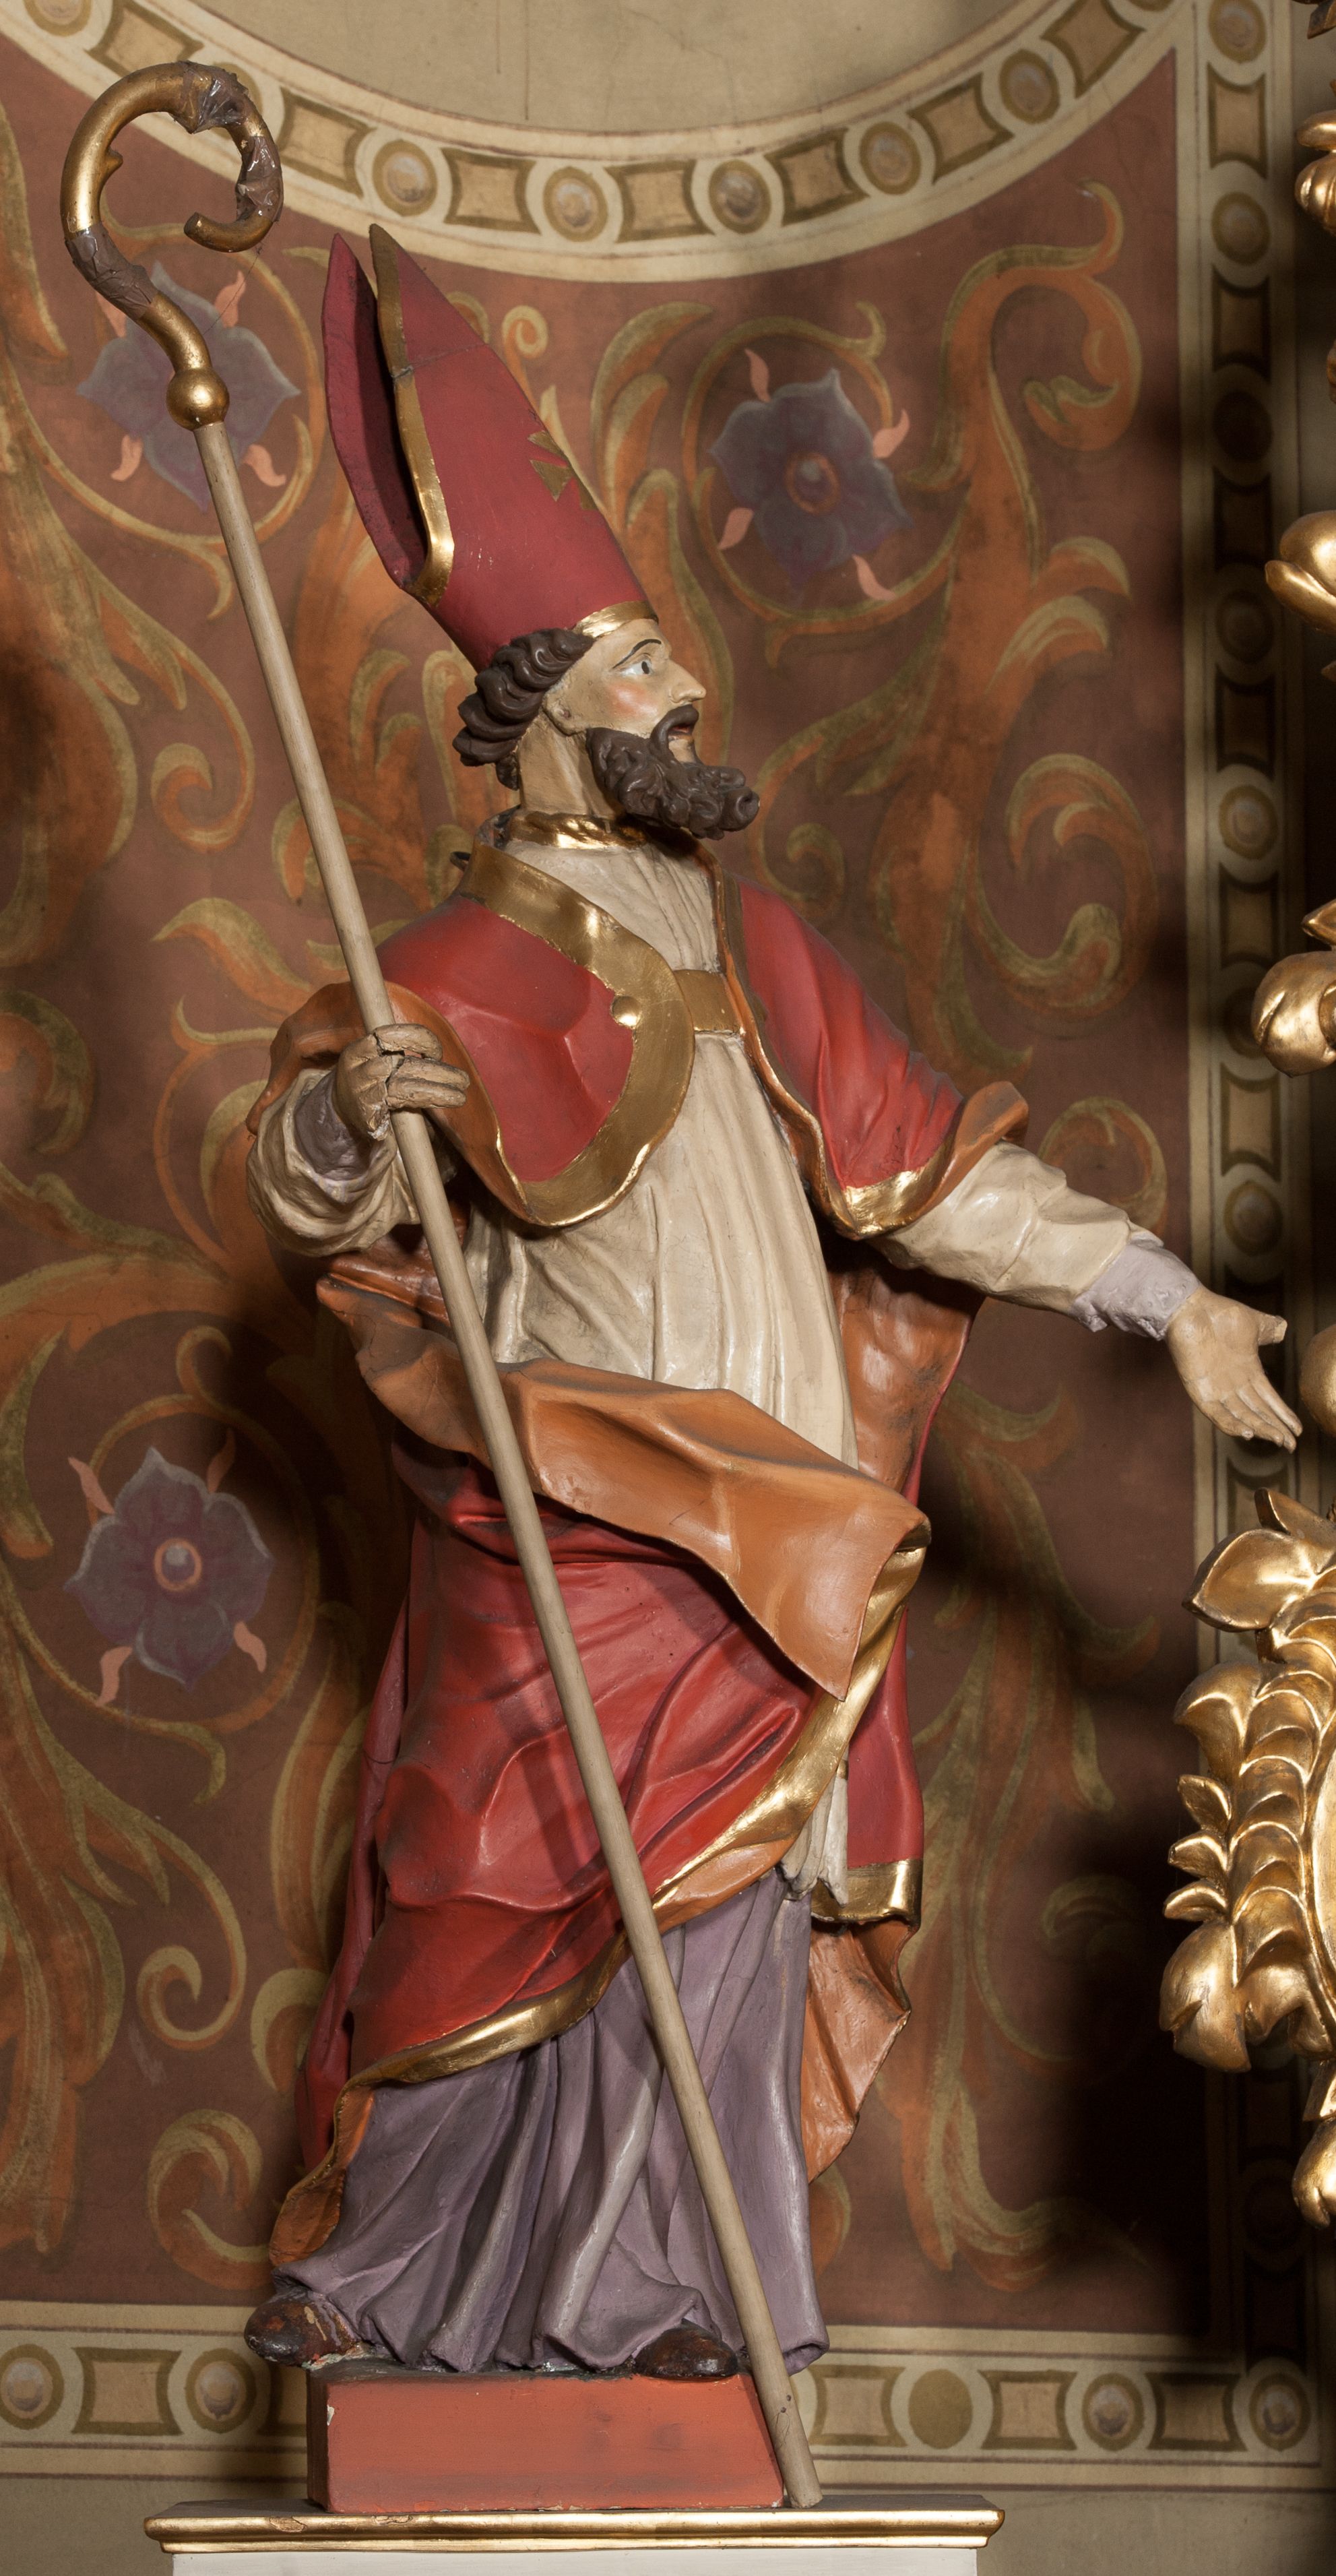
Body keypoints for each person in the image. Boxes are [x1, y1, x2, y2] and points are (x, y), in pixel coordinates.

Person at [242, 228, 1298, 2383]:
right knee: (484, 1877)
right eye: (637, 670)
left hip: (774, 1533)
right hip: (575, 1516)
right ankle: (405, 2288)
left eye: (671, 661)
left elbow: (941, 1180)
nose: (681, 697)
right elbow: (313, 1187)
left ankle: (664, 2311)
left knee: (725, 1916)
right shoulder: (440, 974)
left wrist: (1164, 1293)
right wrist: (356, 1115)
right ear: (540, 716)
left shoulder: (761, 951)